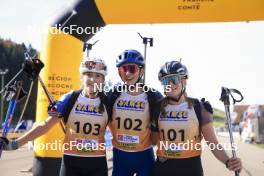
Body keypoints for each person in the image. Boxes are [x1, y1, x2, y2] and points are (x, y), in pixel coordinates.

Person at [0, 57, 110, 176]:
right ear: (81, 77)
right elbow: (45, 126)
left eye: (98, 76)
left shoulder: (108, 102)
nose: (93, 79)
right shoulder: (70, 98)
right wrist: (16, 144)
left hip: (97, 163)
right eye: (88, 74)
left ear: (103, 80)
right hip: (71, 162)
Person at [151, 60, 242, 176]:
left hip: (190, 169)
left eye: (174, 80)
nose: (170, 85)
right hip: (163, 170)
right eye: (165, 81)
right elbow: (153, 141)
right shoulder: (157, 107)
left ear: (184, 80)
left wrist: (228, 161)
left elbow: (212, 142)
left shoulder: (199, 107)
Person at [107, 49, 163, 176]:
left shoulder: (153, 96)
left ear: (141, 71)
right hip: (120, 156)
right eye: (123, 69)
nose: (127, 73)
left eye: (132, 68)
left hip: (144, 155)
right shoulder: (113, 94)